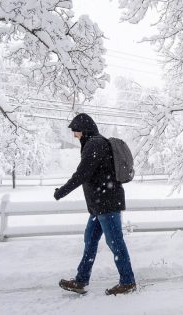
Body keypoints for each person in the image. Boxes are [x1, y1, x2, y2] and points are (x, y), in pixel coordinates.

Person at [54, 113, 136, 296]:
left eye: (76, 132)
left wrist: (61, 192)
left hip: (107, 203)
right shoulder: (94, 144)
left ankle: (128, 281)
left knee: (115, 242)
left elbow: (81, 174)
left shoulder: (95, 144)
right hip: (99, 205)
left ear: (84, 129)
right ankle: (81, 280)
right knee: (90, 240)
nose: (76, 136)